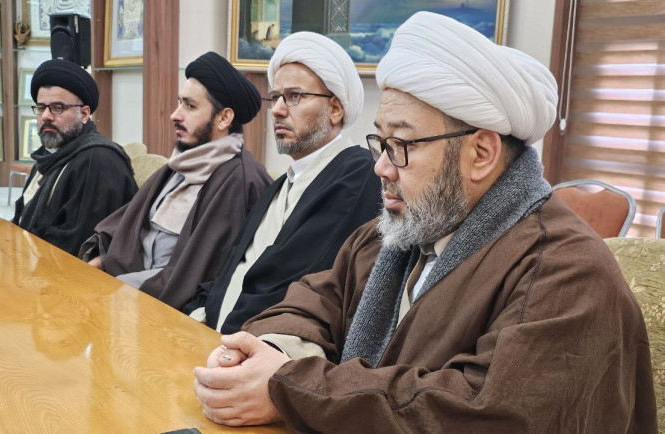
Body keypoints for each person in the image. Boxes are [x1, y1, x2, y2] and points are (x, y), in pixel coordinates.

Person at [193, 12, 656, 432]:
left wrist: (293, 387)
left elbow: (482, 412)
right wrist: (266, 359)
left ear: (481, 153)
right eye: (381, 142)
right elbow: (308, 304)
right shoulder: (389, 236)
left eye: (402, 145)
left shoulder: (566, 271)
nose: (381, 166)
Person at [182, 32, 381, 334]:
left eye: (294, 96)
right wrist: (199, 316)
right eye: (275, 97)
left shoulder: (356, 173)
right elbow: (232, 268)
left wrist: (223, 339)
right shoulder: (281, 184)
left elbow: (291, 286)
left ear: (335, 109)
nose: (276, 109)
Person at [78, 52, 272, 310]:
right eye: (179, 103)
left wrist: (110, 291)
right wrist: (98, 262)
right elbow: (125, 228)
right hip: (123, 295)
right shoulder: (177, 166)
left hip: (158, 309)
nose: (175, 115)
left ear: (224, 118)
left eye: (190, 106)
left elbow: (200, 278)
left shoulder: (241, 181)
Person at [13, 59, 137, 256]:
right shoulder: (49, 155)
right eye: (41, 108)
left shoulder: (99, 161)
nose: (46, 116)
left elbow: (77, 246)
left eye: (57, 108)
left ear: (84, 114)